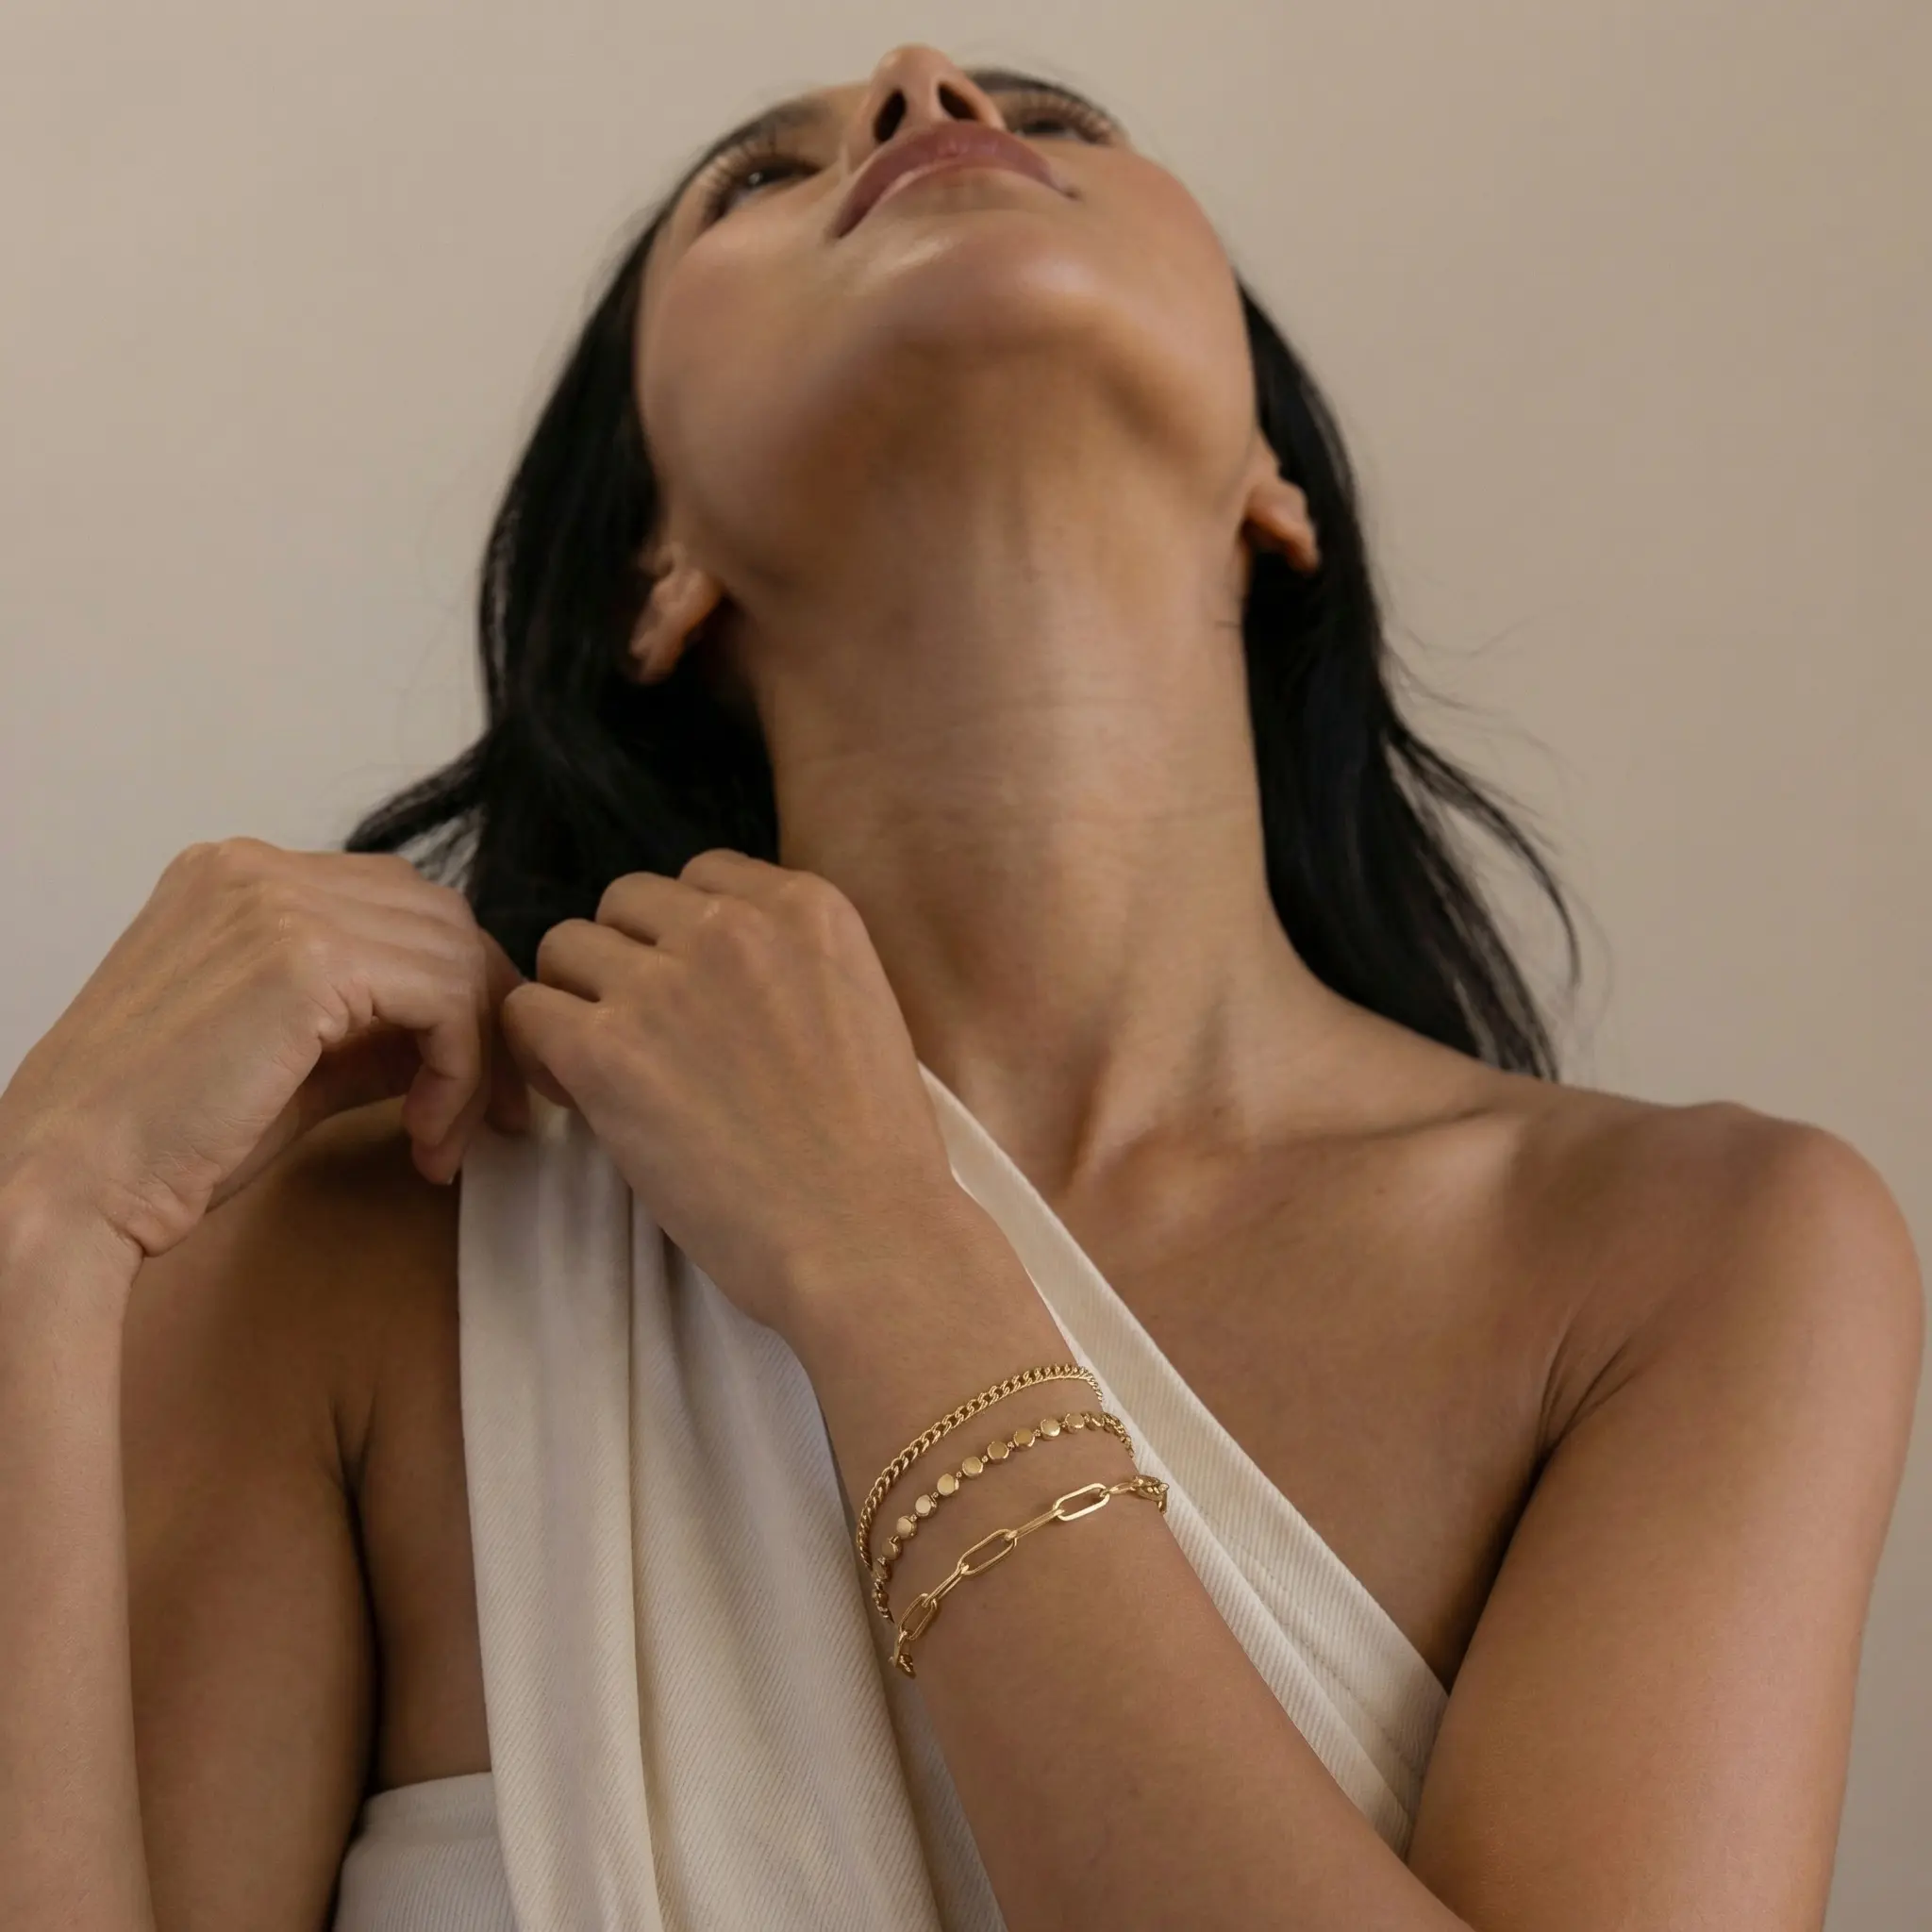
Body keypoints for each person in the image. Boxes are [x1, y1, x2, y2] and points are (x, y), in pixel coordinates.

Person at [0, 40, 1920, 1932]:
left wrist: (882, 1259)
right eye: (761, 181)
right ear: (657, 567)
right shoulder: (361, 1260)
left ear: (1270, 478)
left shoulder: (1703, 1257)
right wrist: (38, 1221)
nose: (930, 93)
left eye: (1062, 119)